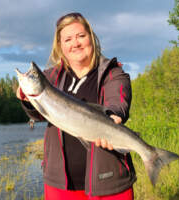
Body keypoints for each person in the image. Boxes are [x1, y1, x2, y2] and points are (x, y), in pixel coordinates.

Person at [16, 12, 136, 200]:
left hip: (110, 182)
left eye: (81, 36)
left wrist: (113, 116)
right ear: (60, 46)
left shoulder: (112, 73)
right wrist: (26, 99)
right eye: (68, 39)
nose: (75, 43)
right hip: (61, 185)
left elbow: (118, 99)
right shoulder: (51, 77)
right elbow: (40, 114)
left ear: (92, 38)